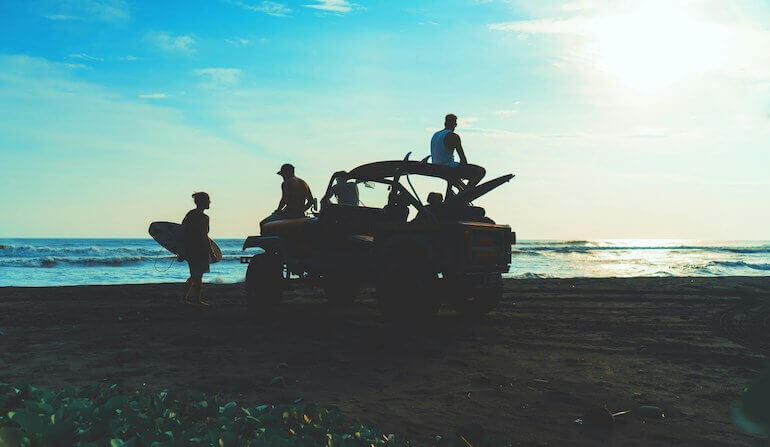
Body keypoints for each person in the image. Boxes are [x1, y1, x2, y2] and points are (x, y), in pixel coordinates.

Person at [260, 163, 314, 231]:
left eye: (283, 175)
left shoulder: (286, 183)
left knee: (263, 223)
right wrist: (301, 211)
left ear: (286, 173)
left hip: (288, 213)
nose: (282, 177)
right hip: (300, 214)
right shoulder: (303, 183)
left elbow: (284, 200)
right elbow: (311, 201)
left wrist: (278, 210)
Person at [180, 192, 211, 306]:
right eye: (208, 200)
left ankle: (192, 299)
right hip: (198, 249)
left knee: (196, 275)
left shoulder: (191, 214)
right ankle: (189, 299)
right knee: (196, 275)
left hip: (193, 249)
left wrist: (182, 250)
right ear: (203, 202)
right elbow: (204, 235)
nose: (210, 202)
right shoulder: (202, 217)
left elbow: (183, 232)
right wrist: (211, 251)